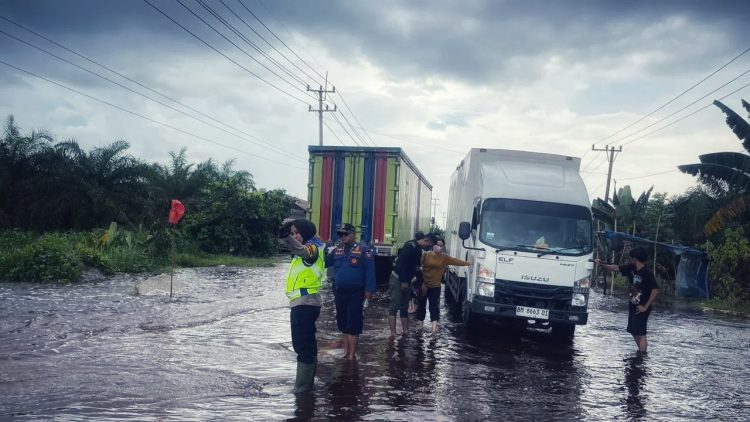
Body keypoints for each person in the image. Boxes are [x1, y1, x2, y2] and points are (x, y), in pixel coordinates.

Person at [278, 218, 325, 394]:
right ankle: (308, 386)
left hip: (304, 303)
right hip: (306, 303)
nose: (295, 236)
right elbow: (294, 248)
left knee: (302, 347)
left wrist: (286, 238)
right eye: (292, 233)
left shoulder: (313, 247)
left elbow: (304, 252)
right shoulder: (314, 246)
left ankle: (302, 389)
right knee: (308, 345)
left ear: (306, 232)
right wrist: (284, 237)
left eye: (297, 233)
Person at [325, 223, 376, 360]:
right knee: (342, 322)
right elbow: (324, 262)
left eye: (345, 234)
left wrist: (370, 290)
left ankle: (352, 355)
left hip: (356, 292)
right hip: (340, 292)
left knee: (354, 323)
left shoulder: (364, 250)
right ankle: (346, 352)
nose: (343, 237)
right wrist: (325, 248)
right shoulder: (337, 251)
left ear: (353, 235)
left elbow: (370, 271)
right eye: (341, 234)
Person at [595, 247, 660, 353]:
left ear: (636, 259)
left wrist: (645, 307)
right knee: (633, 331)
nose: (630, 260)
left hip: (642, 307)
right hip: (633, 304)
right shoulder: (631, 268)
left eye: (631, 258)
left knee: (641, 333)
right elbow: (616, 268)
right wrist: (602, 264)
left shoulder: (647, 273)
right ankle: (640, 353)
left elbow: (655, 290)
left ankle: (642, 357)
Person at [416, 237, 472, 335]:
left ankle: (433, 329)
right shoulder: (425, 255)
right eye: (437, 245)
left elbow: (456, 261)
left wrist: (468, 263)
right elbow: (419, 267)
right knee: (422, 306)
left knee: (433, 307)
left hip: (435, 286)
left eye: (441, 246)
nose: (439, 247)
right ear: (433, 245)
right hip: (424, 285)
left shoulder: (444, 257)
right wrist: (420, 282)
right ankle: (420, 327)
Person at [389, 232, 437, 337]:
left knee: (404, 306)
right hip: (398, 279)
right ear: (426, 240)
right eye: (429, 245)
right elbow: (402, 264)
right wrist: (403, 281)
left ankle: (405, 331)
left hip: (408, 281)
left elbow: (416, 268)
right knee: (394, 305)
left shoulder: (418, 249)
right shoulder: (410, 246)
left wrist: (423, 282)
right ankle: (393, 333)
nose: (429, 248)